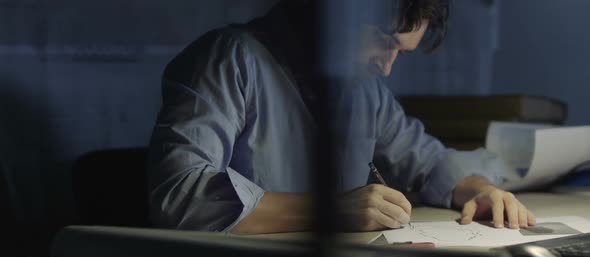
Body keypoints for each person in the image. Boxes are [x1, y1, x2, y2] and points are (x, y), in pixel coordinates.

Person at [148, 0, 536, 235]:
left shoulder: (362, 90)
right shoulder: (229, 59)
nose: (386, 68)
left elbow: (431, 161)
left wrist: (481, 191)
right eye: (383, 43)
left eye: (401, 51)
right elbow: (179, 196)